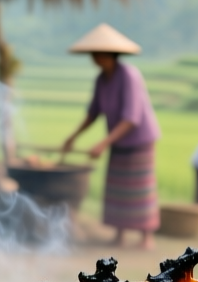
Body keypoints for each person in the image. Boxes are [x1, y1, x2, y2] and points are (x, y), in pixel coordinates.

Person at [62, 24, 160, 249]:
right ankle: (120, 235)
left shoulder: (129, 75)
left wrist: (103, 143)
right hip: (117, 140)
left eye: (100, 53)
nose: (96, 58)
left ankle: (147, 237)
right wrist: (73, 137)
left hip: (138, 140)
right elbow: (93, 112)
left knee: (140, 188)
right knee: (118, 189)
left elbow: (131, 118)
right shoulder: (100, 79)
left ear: (112, 54)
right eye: (94, 54)